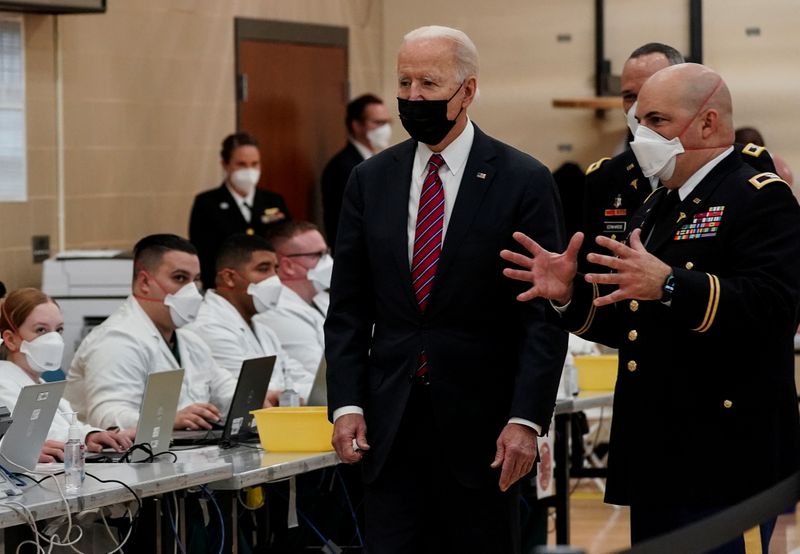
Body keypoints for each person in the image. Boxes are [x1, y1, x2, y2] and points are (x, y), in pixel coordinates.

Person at [502, 63, 800, 552]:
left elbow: (774, 311)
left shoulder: (758, 198)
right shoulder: (658, 203)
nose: (642, 135)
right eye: (639, 120)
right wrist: (566, 297)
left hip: (727, 454)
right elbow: (633, 323)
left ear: (706, 124)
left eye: (658, 120)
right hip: (658, 451)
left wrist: (670, 284)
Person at [325, 25, 567, 553]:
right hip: (389, 427)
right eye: (404, 82)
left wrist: (526, 419)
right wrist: (345, 403)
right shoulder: (370, 179)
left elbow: (541, 318)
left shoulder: (522, 179)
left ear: (468, 91)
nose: (413, 97)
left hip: (484, 431)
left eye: (429, 84)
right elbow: (347, 307)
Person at [580, 43, 775, 273]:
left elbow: (767, 292)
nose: (638, 107)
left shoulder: (747, 173)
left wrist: (669, 284)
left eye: (652, 92)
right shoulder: (607, 177)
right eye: (630, 97)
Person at [64, 234, 239, 431]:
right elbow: (107, 417)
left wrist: (256, 404)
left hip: (182, 454)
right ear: (145, 283)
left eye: (196, 280)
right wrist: (168, 419)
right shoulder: (116, 340)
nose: (192, 291)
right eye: (179, 278)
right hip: (124, 460)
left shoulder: (189, 340)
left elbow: (228, 392)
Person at [0, 288, 132, 463]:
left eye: (59, 330)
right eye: (41, 330)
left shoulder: (39, 382)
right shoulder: (4, 380)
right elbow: (31, 433)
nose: (54, 340)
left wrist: (89, 435)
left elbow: (68, 426)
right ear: (10, 339)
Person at [185, 233, 308, 402]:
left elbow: (296, 377)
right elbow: (252, 394)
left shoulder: (263, 330)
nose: (274, 278)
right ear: (229, 278)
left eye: (275, 269)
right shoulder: (208, 326)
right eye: (263, 269)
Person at [189, 132, 291, 289]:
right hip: (227, 288)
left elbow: (285, 244)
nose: (249, 171)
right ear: (225, 164)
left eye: (254, 164)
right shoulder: (207, 203)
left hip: (270, 285)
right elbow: (204, 254)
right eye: (241, 164)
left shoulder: (274, 201)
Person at [255, 220, 329, 392]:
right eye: (317, 255)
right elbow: (319, 372)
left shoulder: (323, 299)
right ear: (287, 266)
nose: (327, 262)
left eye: (326, 253)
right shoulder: (276, 308)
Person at [321, 94, 392, 246]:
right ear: (357, 125)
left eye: (387, 122)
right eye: (378, 123)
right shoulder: (343, 166)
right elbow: (346, 221)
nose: (385, 129)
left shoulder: (375, 160)